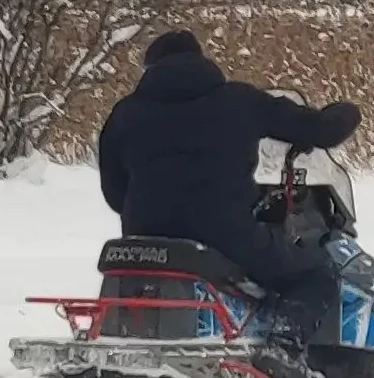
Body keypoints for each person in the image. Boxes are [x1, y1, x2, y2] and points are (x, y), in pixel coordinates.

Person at [95, 30, 360, 295]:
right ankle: (290, 335)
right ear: (201, 60)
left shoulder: (125, 113)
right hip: (225, 236)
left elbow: (115, 194)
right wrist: (347, 112)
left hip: (144, 241)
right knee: (318, 273)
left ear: (150, 68)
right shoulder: (239, 101)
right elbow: (321, 130)